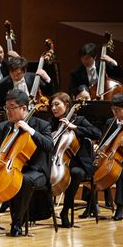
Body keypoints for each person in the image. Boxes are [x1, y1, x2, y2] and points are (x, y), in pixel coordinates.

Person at [0, 90, 54, 236]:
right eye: (6, 108)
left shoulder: (41, 125)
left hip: (35, 171)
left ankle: (17, 224)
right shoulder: (5, 126)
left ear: (24, 108)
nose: (8, 111)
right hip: (7, 167)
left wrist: (31, 131)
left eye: (11, 107)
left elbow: (49, 146)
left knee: (24, 181)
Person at [49, 92, 101, 227]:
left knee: (76, 173)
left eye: (56, 104)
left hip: (79, 163)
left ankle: (65, 211)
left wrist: (75, 128)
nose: (53, 108)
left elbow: (97, 133)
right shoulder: (53, 122)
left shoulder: (79, 120)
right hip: (58, 161)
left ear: (66, 105)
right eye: (52, 105)